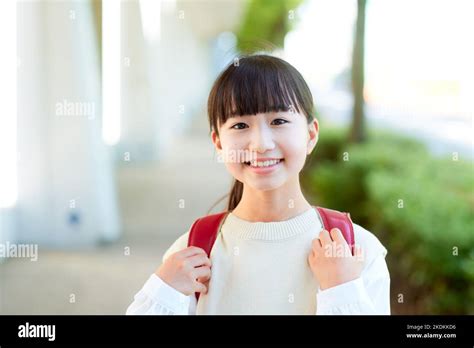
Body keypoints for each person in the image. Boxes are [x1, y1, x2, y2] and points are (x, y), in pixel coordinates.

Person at [126, 54, 390, 315]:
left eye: (279, 121)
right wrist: (163, 293)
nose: (261, 144)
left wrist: (341, 291)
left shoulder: (356, 251)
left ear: (311, 134)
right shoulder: (191, 256)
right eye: (240, 125)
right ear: (219, 143)